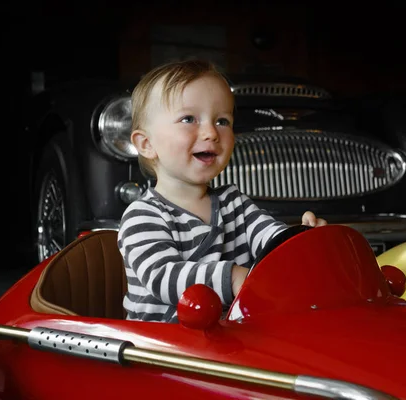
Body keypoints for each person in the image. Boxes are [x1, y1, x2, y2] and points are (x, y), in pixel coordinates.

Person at [118, 59, 327, 323]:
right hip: (159, 348)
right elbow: (162, 277)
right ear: (147, 144)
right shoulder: (143, 216)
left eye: (222, 121)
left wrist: (302, 242)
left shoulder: (234, 203)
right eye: (189, 119)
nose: (211, 133)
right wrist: (233, 277)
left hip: (230, 343)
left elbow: (270, 240)